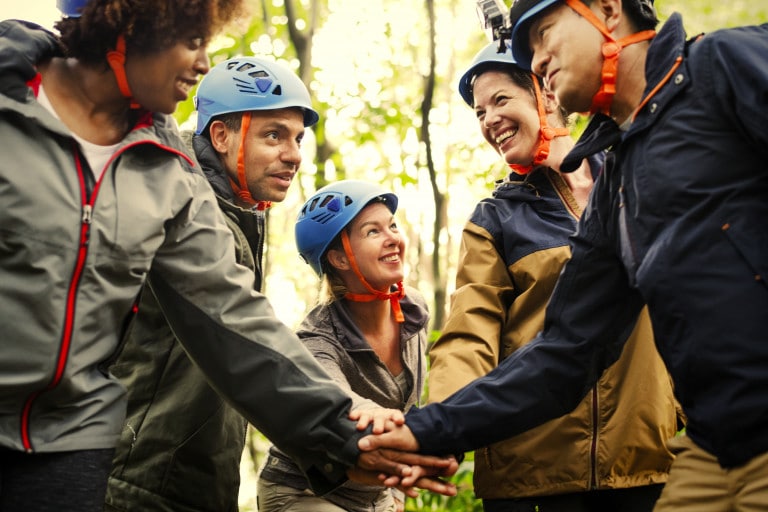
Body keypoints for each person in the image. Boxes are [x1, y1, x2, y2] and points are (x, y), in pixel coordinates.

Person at [0, 1, 455, 510]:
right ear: (134, 21)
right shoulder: (12, 104)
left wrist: (342, 432)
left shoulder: (168, 171)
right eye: (192, 39)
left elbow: (231, 317)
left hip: (76, 446)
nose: (202, 64)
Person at [358, 0, 768, 510]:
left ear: (608, 9)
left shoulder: (722, 65)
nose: (537, 60)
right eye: (479, 111)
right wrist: (430, 429)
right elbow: (567, 347)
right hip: (705, 445)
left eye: (545, 34)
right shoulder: (614, 189)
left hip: (674, 454)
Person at [426, 40, 679, 511]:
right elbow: (469, 334)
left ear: (544, 91)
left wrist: (677, 408)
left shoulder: (631, 180)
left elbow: (685, 300)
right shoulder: (494, 220)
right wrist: (441, 427)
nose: (489, 120)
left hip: (643, 465)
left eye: (500, 100)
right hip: (530, 478)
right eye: (479, 112)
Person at [104, 55, 318, 512]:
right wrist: (342, 432)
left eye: (298, 138)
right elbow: (245, 341)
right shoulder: (181, 207)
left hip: (191, 483)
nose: (294, 154)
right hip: (139, 483)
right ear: (220, 135)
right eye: (274, 135)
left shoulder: (237, 212)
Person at [257, 180, 429, 512]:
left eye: (392, 225)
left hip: (373, 494)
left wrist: (396, 493)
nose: (393, 238)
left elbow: (410, 406)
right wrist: (370, 412)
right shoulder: (317, 338)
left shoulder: (413, 310)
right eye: (373, 231)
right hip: (305, 493)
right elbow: (333, 399)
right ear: (339, 258)